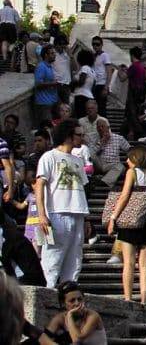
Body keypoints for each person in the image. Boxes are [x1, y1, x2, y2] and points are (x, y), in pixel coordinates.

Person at [35, 119, 89, 287]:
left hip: (78, 212)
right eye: (78, 135)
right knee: (53, 258)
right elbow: (39, 186)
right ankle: (47, 293)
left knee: (74, 260)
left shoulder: (78, 160)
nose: (82, 138)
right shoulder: (49, 157)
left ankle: (70, 295)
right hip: (56, 213)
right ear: (68, 136)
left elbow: (82, 189)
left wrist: (87, 218)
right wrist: (42, 214)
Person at [106, 146, 146, 304]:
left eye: (129, 158)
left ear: (136, 159)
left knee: (128, 262)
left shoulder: (132, 173)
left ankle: (128, 298)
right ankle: (144, 300)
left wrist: (113, 217)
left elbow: (124, 196)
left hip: (130, 221)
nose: (126, 161)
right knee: (144, 264)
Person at [40, 280, 106, 345]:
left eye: (80, 299)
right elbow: (44, 338)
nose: (77, 303)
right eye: (72, 301)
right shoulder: (60, 318)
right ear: (63, 303)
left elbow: (77, 340)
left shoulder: (92, 316)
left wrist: (70, 315)